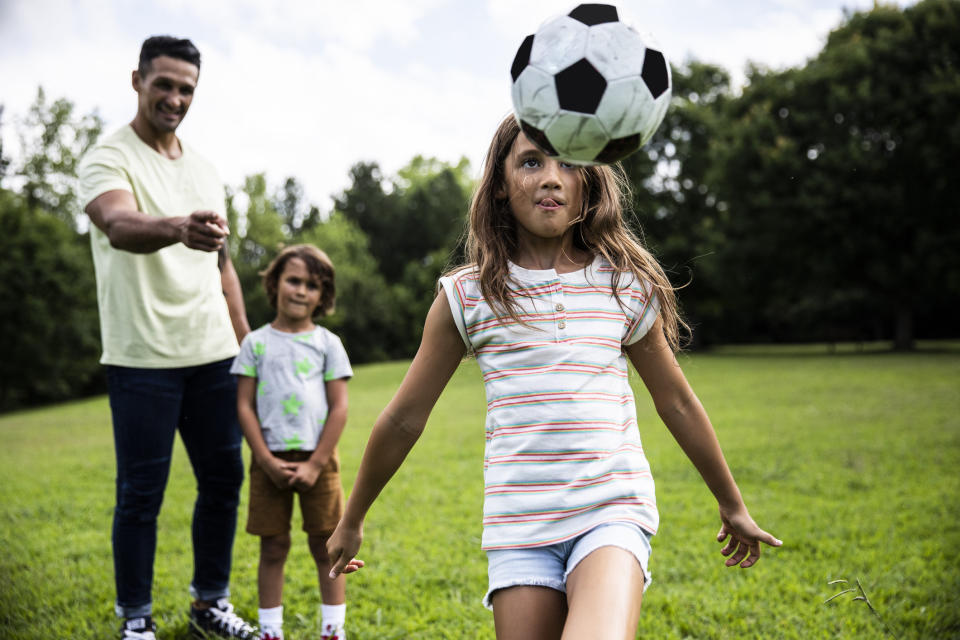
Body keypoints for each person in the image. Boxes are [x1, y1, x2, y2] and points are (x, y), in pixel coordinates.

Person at [326, 115, 783, 639]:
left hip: (610, 509)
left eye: (568, 162)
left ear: (589, 179)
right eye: (531, 162)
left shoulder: (623, 287)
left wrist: (732, 503)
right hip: (518, 527)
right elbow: (404, 418)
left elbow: (676, 401)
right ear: (500, 186)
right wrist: (353, 518)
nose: (551, 177)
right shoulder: (468, 296)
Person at [78, 36, 256, 640]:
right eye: (165, 85)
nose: (175, 98)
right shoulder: (108, 155)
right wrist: (178, 226)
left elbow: (224, 266)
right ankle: (136, 621)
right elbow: (119, 224)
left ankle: (210, 603)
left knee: (224, 482)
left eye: (187, 89)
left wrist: (249, 344)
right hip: (141, 358)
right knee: (140, 495)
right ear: (138, 80)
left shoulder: (204, 168)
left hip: (213, 355)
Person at [231, 245, 357, 640]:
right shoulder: (255, 343)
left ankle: (332, 632)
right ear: (275, 284)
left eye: (312, 285)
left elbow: (339, 408)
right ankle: (271, 633)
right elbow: (244, 406)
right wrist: (265, 460)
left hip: (320, 461)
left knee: (327, 547)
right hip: (268, 462)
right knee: (273, 547)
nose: (301, 291)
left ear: (323, 296)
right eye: (293, 280)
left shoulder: (327, 344)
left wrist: (316, 463)